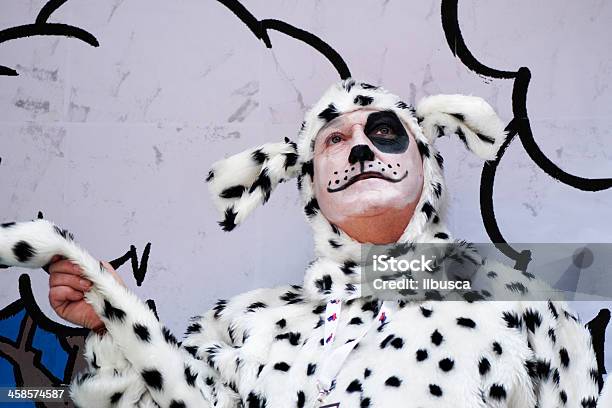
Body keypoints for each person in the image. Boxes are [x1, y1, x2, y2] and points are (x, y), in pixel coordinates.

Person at [0, 79, 609, 407]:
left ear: (427, 161)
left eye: (385, 130)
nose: (362, 148)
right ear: (309, 185)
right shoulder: (245, 324)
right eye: (334, 140)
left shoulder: (508, 297)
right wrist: (110, 318)